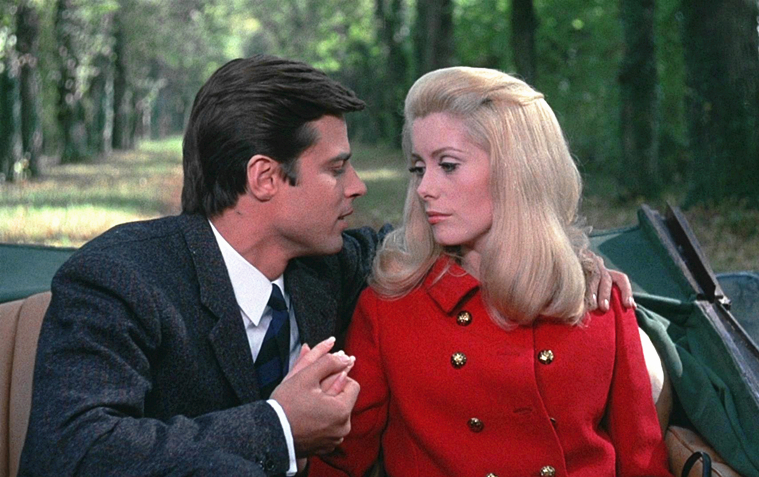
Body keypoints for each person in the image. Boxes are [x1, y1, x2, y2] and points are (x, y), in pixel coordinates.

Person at [19, 56, 631, 477]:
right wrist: (279, 427)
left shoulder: (331, 266)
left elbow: (450, 236)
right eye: (337, 168)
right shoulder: (121, 278)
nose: (359, 185)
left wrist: (573, 258)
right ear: (266, 177)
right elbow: (69, 454)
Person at [309, 67, 671, 477]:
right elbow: (338, 465)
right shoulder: (388, 308)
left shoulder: (598, 299)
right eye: (419, 168)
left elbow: (644, 463)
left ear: (517, 170)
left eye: (447, 165)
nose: (425, 188)